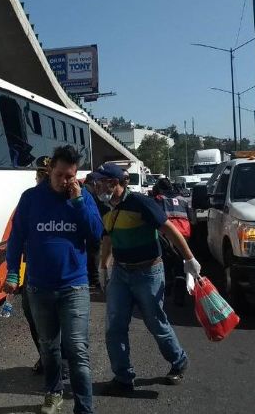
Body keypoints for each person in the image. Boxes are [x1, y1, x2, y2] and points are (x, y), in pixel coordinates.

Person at [3, 145, 103, 414]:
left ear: (76, 174)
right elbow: (17, 236)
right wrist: (12, 271)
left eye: (70, 176)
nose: (64, 181)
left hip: (74, 286)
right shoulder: (31, 198)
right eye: (60, 175)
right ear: (50, 171)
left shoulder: (83, 197)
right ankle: (53, 392)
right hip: (38, 287)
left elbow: (95, 234)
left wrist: (78, 202)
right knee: (48, 346)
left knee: (77, 352)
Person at [91, 164, 201, 393]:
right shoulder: (106, 207)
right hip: (121, 273)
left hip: (148, 272)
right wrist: (103, 267)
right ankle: (123, 377)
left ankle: (179, 361)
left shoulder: (141, 203)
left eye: (101, 182)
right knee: (114, 326)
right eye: (97, 182)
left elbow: (169, 229)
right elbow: (108, 238)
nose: (97, 186)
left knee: (155, 322)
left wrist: (189, 260)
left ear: (115, 183)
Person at [0, 156, 69, 377]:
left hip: (60, 274)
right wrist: (9, 254)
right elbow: (21, 234)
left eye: (45, 174)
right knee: (34, 318)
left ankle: (60, 364)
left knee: (58, 322)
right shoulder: (31, 199)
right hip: (34, 275)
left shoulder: (65, 200)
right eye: (39, 174)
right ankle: (46, 358)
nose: (41, 178)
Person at [151, 178, 193, 305]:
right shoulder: (183, 200)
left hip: (167, 236)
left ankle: (167, 289)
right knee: (180, 265)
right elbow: (192, 219)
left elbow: (155, 219)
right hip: (184, 236)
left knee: (166, 264)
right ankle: (179, 297)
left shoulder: (159, 199)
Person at [83, 174, 110, 291]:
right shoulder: (90, 193)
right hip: (94, 226)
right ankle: (94, 280)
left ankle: (92, 279)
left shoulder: (84, 191)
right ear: (94, 183)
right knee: (94, 252)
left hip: (88, 226)